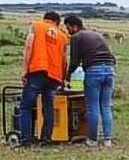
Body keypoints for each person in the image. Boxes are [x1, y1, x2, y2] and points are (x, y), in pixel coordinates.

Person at [62, 16, 117, 147]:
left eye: (68, 27)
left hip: (94, 71)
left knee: (92, 107)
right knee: (106, 106)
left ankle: (92, 140)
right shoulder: (97, 35)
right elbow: (112, 58)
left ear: (74, 26)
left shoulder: (76, 37)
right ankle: (107, 140)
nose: (68, 31)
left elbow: (74, 61)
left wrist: (67, 76)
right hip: (109, 71)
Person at [17, 11, 69, 147]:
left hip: (37, 70)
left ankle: (26, 140)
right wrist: (63, 78)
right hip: (54, 76)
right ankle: (46, 139)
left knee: (26, 106)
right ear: (57, 22)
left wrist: (24, 70)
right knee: (48, 107)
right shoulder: (63, 36)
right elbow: (64, 60)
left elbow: (29, 46)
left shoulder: (36, 26)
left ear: (45, 19)